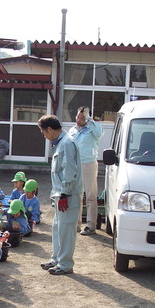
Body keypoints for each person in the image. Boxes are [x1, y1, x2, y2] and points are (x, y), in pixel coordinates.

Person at [38, 115, 83, 275]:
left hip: (68, 195)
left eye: (44, 133)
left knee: (66, 230)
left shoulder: (66, 144)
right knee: (58, 228)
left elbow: (70, 172)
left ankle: (65, 264)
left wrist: (64, 193)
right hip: (61, 194)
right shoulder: (60, 144)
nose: (44, 136)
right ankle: (56, 259)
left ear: (50, 129)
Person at [69, 106, 104, 235]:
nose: (79, 120)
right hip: (75, 164)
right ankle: (76, 224)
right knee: (76, 195)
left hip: (89, 163)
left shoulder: (93, 129)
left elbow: (100, 133)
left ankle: (91, 225)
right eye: (78, 117)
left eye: (82, 118)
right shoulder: (72, 130)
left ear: (88, 118)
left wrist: (90, 121)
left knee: (90, 195)